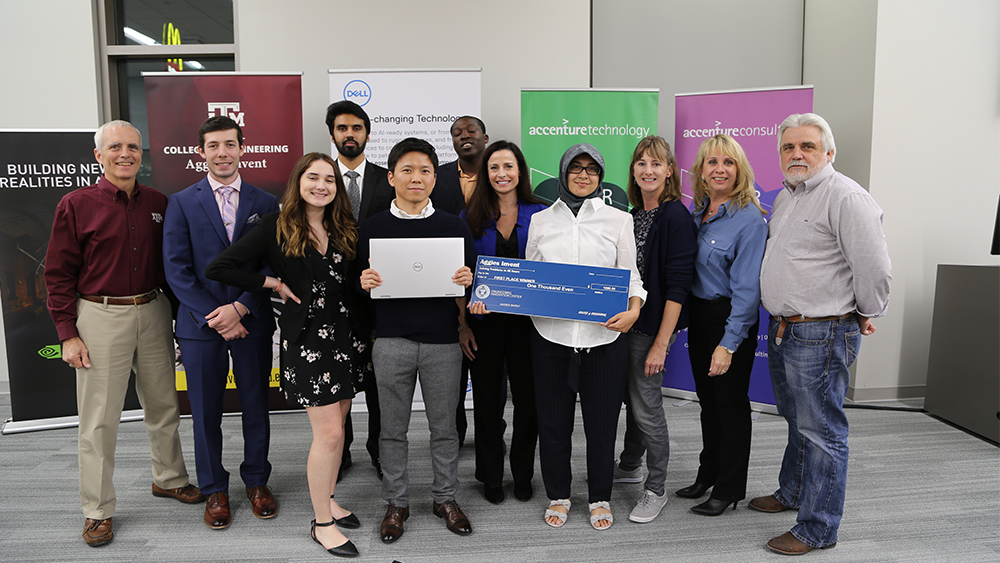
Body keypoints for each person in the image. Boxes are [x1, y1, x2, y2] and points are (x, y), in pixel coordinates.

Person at [44, 120, 203, 547]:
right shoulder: (75, 205)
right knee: (99, 421)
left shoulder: (158, 202)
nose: (125, 153)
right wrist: (67, 334)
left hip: (153, 311)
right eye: (115, 147)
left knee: (164, 406)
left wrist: (182, 320)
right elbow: (58, 275)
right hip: (99, 316)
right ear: (99, 155)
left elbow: (173, 266)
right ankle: (97, 511)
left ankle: (168, 479)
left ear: (141, 155)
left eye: (133, 147)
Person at [206, 153, 368, 558]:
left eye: (330, 180)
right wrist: (271, 282)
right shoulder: (273, 227)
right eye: (313, 177)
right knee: (328, 434)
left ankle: (328, 498)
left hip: (347, 336)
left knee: (340, 427)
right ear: (298, 182)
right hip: (309, 341)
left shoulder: (344, 225)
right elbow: (220, 267)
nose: (321, 186)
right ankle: (322, 524)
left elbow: (352, 279)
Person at [753, 113, 891, 555]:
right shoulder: (789, 196)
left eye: (807, 146)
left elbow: (874, 268)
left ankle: (817, 528)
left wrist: (865, 312)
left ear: (828, 153)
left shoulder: (846, 197)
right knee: (799, 422)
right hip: (785, 329)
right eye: (789, 147)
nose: (797, 154)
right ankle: (792, 492)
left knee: (823, 433)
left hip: (821, 332)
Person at [163, 116, 280, 530]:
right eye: (213, 146)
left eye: (229, 145)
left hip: (251, 321)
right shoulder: (180, 202)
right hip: (200, 326)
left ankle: (257, 482)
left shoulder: (266, 202)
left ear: (242, 148)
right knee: (205, 411)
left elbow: (272, 264)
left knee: (255, 406)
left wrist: (242, 308)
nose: (222, 153)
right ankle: (214, 488)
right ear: (201, 153)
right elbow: (176, 271)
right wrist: (217, 316)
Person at [357, 137, 476, 544]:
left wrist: (469, 281)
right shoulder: (371, 228)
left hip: (443, 342)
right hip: (391, 342)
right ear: (391, 177)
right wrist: (364, 282)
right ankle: (397, 502)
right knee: (392, 430)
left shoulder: (453, 225)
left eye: (425, 170)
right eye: (406, 170)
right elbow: (355, 289)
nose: (416, 178)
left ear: (433, 178)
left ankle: (445, 498)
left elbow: (473, 283)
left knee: (445, 429)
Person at [526, 143, 646, 531]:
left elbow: (631, 276)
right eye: (575, 168)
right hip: (551, 337)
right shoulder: (542, 221)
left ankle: (599, 497)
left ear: (600, 176)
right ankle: (558, 494)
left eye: (591, 169)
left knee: (602, 425)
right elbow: (530, 276)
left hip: (605, 340)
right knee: (554, 424)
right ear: (562, 174)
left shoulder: (618, 220)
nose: (583, 175)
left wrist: (634, 309)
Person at [679, 134, 768, 518]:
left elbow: (748, 291)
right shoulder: (698, 212)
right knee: (708, 404)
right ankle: (708, 474)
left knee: (730, 407)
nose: (719, 169)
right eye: (712, 162)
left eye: (728, 163)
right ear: (700, 170)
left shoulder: (748, 219)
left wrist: (728, 343)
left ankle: (729, 489)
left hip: (729, 320)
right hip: (699, 318)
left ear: (740, 170)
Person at [612, 136, 697, 523]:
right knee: (633, 401)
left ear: (669, 172)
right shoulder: (631, 214)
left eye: (657, 164)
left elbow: (678, 285)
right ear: (633, 170)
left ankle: (656, 488)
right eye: (641, 163)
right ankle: (630, 464)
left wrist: (662, 343)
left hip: (650, 330)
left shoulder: (675, 215)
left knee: (647, 408)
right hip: (624, 326)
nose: (648, 170)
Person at [461, 140, 547, 504]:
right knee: (487, 403)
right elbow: (459, 276)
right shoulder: (469, 216)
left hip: (532, 326)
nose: (501, 174)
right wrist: (463, 320)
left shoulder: (543, 213)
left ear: (520, 171)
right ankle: (491, 476)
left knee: (529, 403)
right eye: (494, 167)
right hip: (484, 326)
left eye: (508, 167)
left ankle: (523, 473)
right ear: (485, 173)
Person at [325, 99, 394, 481]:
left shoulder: (388, 178)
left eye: (356, 128)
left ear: (367, 133)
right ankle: (340, 451)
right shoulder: (319, 178)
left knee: (380, 382)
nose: (349, 134)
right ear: (332, 134)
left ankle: (379, 451)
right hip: (331, 295)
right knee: (338, 379)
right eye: (341, 128)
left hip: (378, 294)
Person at [432, 115, 490, 447]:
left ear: (485, 137)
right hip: (447, 283)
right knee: (451, 378)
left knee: (487, 373)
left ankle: (488, 438)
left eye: (471, 131)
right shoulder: (437, 177)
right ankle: (453, 437)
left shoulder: (499, 174)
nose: (464, 136)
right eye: (457, 133)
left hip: (492, 283)